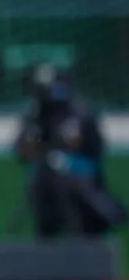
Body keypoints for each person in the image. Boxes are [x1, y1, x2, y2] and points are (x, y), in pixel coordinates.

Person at [13, 64, 126, 238]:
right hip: (44, 175)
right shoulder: (34, 116)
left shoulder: (80, 114)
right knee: (39, 185)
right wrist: (33, 145)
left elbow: (94, 149)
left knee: (67, 186)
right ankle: (46, 237)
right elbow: (22, 150)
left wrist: (70, 150)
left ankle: (84, 232)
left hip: (79, 175)